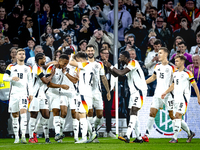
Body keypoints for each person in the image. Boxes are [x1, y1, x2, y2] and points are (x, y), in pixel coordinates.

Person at [103, 51, 147, 143]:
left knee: (134, 110)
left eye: (120, 57)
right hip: (133, 92)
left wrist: (111, 66)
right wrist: (109, 68)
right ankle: (138, 138)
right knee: (132, 112)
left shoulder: (133, 62)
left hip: (140, 90)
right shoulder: (126, 66)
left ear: (126, 57)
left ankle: (127, 135)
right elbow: (118, 75)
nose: (119, 58)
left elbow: (122, 73)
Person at [28, 53, 69, 143]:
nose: (45, 60)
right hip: (34, 94)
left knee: (46, 115)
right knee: (34, 115)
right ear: (39, 59)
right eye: (43, 58)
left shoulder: (41, 68)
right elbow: (46, 81)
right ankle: (31, 137)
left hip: (41, 94)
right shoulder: (37, 68)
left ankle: (35, 133)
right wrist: (51, 75)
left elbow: (45, 78)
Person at [161, 54, 200, 143]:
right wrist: (165, 92)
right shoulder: (175, 73)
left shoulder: (188, 73)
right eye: (175, 61)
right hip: (176, 98)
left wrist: (199, 97)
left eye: (177, 61)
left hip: (184, 98)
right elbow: (173, 85)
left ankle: (174, 138)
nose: (175, 63)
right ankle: (190, 133)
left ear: (182, 62)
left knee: (178, 115)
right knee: (176, 118)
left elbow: (195, 85)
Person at [141, 47, 176, 142]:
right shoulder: (157, 66)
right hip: (157, 94)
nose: (158, 55)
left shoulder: (172, 67)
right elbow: (153, 77)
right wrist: (143, 83)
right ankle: (146, 135)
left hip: (168, 95)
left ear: (166, 54)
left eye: (160, 53)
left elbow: (174, 83)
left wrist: (166, 92)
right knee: (152, 113)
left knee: (173, 115)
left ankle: (187, 133)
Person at [3, 48, 33, 144]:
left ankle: (23, 136)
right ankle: (16, 136)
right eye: (19, 54)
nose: (21, 55)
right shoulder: (11, 66)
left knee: (24, 114)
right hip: (13, 94)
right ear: (16, 56)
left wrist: (31, 93)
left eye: (23, 54)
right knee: (14, 115)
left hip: (23, 94)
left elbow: (30, 82)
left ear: (25, 56)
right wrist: (12, 78)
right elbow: (4, 78)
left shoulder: (28, 68)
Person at [69, 51, 97, 143]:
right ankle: (92, 133)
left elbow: (70, 62)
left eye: (77, 60)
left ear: (80, 59)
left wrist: (72, 55)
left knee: (81, 114)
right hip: (87, 93)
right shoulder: (89, 66)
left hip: (84, 94)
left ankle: (84, 137)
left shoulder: (85, 64)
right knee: (82, 115)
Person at [85, 45, 111, 143]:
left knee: (100, 115)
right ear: (86, 52)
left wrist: (108, 91)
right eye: (89, 51)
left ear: (94, 52)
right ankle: (92, 134)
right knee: (90, 113)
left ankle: (93, 130)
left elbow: (103, 77)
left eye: (92, 50)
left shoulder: (99, 63)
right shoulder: (83, 63)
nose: (90, 52)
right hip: (87, 92)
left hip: (97, 91)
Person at [45, 54, 72, 142]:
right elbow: (48, 83)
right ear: (59, 60)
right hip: (49, 93)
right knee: (46, 116)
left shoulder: (63, 69)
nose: (65, 65)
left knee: (59, 113)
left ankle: (58, 134)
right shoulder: (51, 68)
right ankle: (46, 136)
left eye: (66, 64)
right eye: (64, 63)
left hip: (58, 93)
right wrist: (61, 86)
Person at [0, 60, 10, 138]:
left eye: (4, 65)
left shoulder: (8, 75)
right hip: (1, 100)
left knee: (6, 118)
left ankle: (5, 132)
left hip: (8, 100)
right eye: (1, 65)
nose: (3, 66)